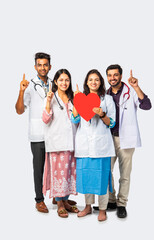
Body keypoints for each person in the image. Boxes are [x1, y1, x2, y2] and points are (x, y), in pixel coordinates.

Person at [15, 53, 76, 213]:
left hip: (55, 133)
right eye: (39, 65)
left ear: (50, 66)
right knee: (39, 168)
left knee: (57, 167)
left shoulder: (54, 83)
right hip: (38, 133)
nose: (42, 67)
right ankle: (39, 200)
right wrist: (21, 92)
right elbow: (19, 111)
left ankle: (58, 196)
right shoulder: (29, 85)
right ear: (35, 67)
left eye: (45, 64)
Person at [94, 64, 152, 218]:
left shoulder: (130, 91)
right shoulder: (104, 94)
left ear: (120, 75)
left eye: (115, 75)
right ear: (107, 77)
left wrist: (137, 87)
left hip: (126, 138)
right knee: (107, 172)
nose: (112, 78)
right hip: (108, 139)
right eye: (110, 75)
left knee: (125, 174)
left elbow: (147, 106)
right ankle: (111, 200)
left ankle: (122, 203)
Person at [71, 69, 116, 221]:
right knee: (86, 177)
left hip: (102, 146)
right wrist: (76, 101)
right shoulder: (80, 98)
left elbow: (112, 123)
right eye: (90, 79)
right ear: (86, 82)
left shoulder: (107, 99)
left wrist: (102, 114)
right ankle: (88, 207)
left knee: (102, 178)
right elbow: (75, 120)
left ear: (101, 82)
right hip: (84, 145)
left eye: (96, 79)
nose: (93, 82)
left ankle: (102, 209)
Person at [42, 69, 79, 218]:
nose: (64, 83)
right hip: (56, 143)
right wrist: (48, 102)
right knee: (59, 174)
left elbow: (76, 119)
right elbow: (45, 119)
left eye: (67, 80)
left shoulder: (71, 98)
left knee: (69, 173)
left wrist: (78, 101)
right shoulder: (51, 97)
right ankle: (59, 203)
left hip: (71, 142)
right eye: (61, 80)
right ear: (56, 82)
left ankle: (65, 200)